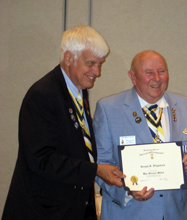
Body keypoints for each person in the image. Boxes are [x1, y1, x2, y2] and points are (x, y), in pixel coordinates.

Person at [2, 25, 125, 220]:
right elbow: (41, 160)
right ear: (69, 58)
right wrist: (96, 170)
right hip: (43, 211)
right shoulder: (42, 95)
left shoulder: (78, 90)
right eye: (91, 63)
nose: (97, 72)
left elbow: (78, 147)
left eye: (100, 64)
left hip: (72, 208)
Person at [93, 50, 187, 220]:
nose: (157, 78)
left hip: (176, 212)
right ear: (133, 77)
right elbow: (99, 164)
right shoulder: (109, 109)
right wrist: (127, 190)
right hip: (129, 213)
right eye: (149, 72)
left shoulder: (186, 106)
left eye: (162, 71)